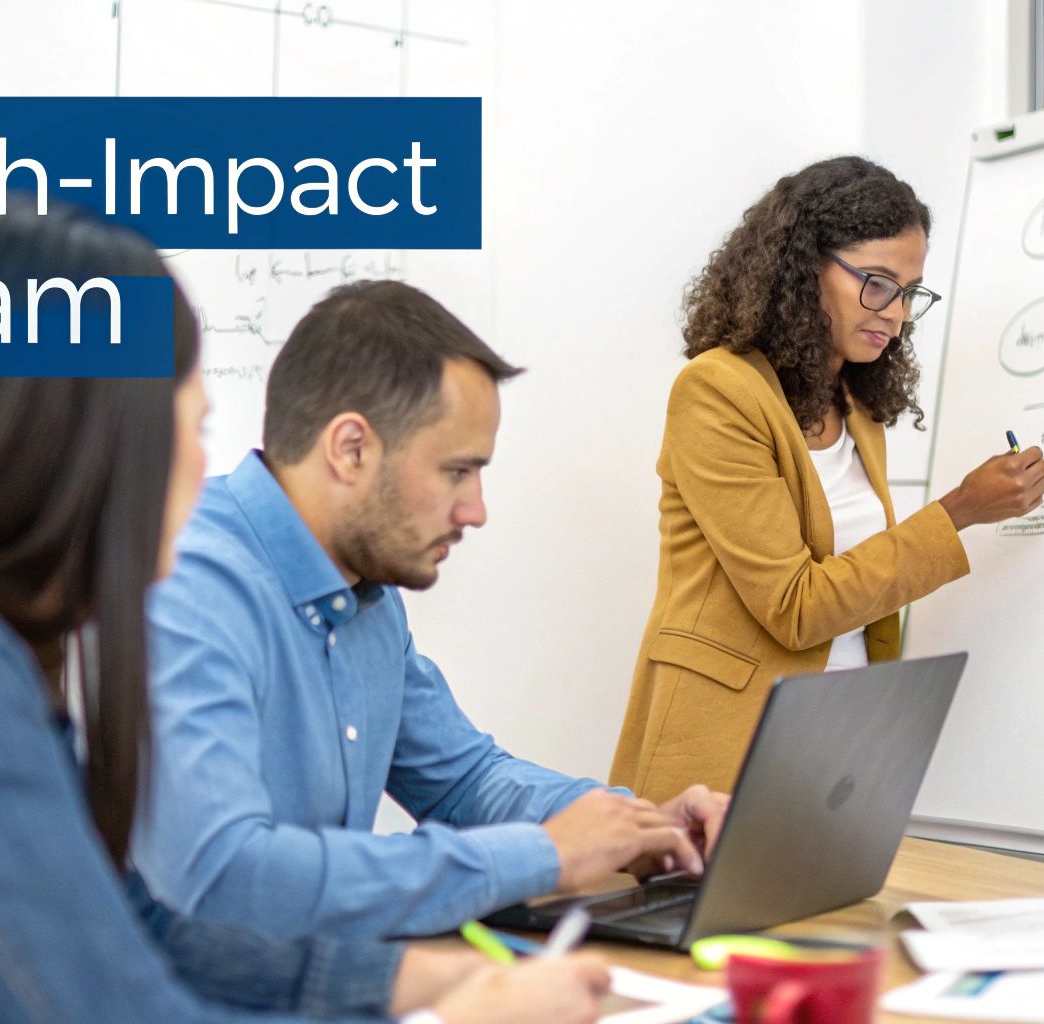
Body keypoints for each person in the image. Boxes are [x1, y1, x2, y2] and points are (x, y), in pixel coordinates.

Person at [0, 202, 607, 1023]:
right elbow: (118, 1008)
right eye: (193, 425)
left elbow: (134, 931)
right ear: (89, 433)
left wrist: (409, 984)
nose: (206, 466)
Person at [136, 280, 728, 941]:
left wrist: (638, 826)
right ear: (351, 449)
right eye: (456, 472)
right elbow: (225, 875)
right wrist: (544, 854)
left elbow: (462, 782)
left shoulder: (364, 588)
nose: (476, 511)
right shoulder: (188, 583)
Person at [609, 156, 1044, 802]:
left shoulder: (856, 406)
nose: (895, 313)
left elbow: (862, 591)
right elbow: (796, 606)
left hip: (834, 746)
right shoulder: (717, 392)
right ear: (802, 266)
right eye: (877, 282)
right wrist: (957, 510)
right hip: (726, 755)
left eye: (910, 291)